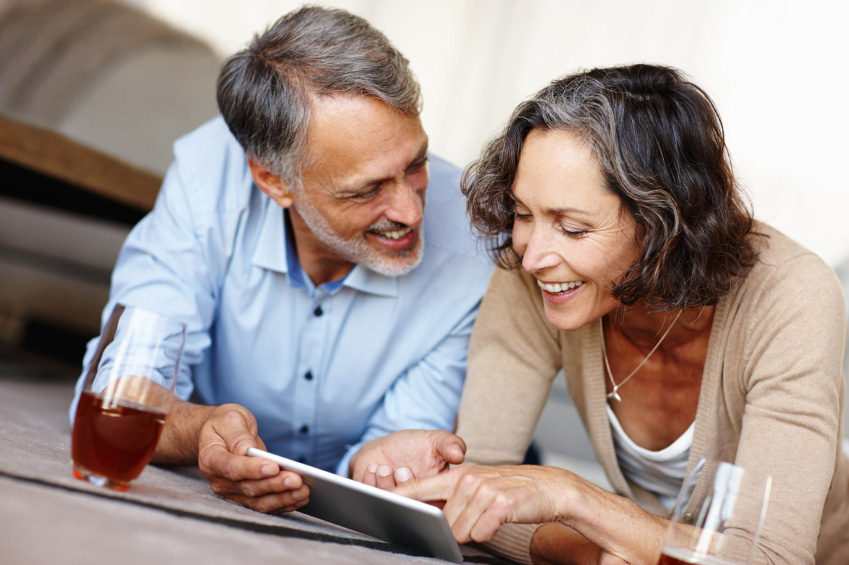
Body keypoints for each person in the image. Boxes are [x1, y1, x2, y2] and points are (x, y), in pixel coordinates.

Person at [385, 64, 849, 564]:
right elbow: (473, 496)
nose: (533, 253)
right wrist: (599, 546)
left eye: (573, 228)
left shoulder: (792, 294)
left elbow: (768, 557)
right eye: (523, 214)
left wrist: (572, 497)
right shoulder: (533, 274)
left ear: (665, 224)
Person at [69, 6, 491, 514]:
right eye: (367, 190)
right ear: (272, 180)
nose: (409, 209)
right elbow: (121, 397)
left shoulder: (473, 245)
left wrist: (382, 464)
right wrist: (201, 430)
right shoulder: (206, 184)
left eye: (416, 163)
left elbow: (399, 446)